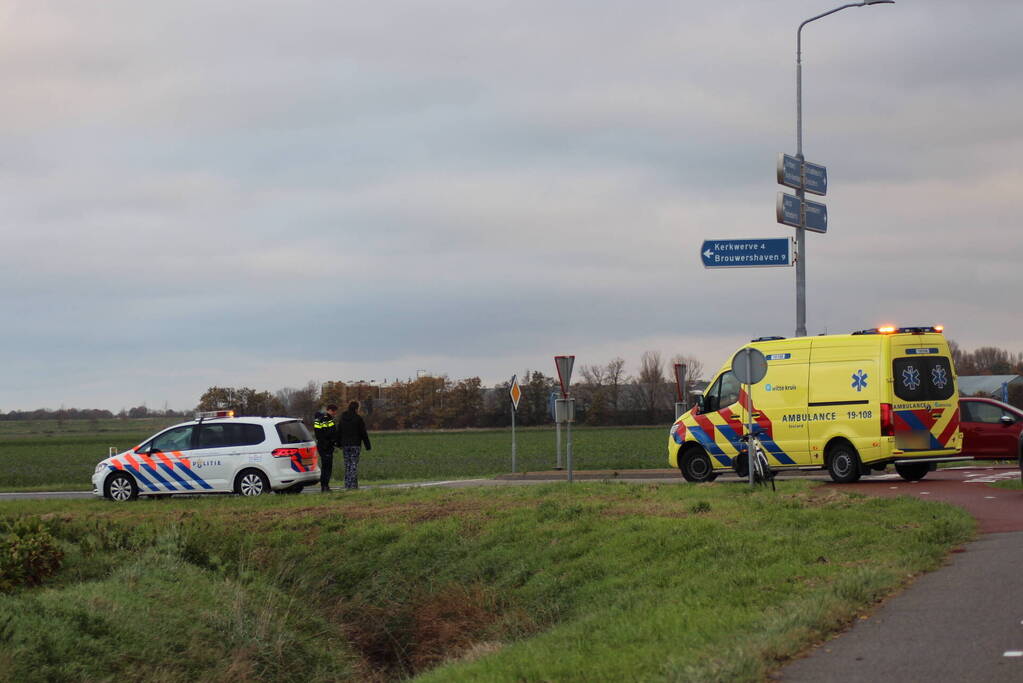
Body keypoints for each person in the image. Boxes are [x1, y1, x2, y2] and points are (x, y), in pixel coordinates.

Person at [335, 401, 371, 489]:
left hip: (345, 445)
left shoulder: (342, 418)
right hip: (355, 445)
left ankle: (347, 484)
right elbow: (363, 433)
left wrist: (338, 443)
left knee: (347, 464)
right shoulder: (358, 419)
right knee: (353, 465)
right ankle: (353, 485)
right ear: (356, 408)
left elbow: (339, 431)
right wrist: (367, 445)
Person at [312, 404, 338, 492]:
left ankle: (325, 486)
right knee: (327, 467)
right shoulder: (326, 419)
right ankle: (325, 486)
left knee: (325, 466)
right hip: (325, 446)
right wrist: (330, 442)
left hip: (323, 445)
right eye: (334, 411)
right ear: (330, 410)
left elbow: (319, 433)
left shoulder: (320, 418)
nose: (335, 414)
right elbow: (329, 433)